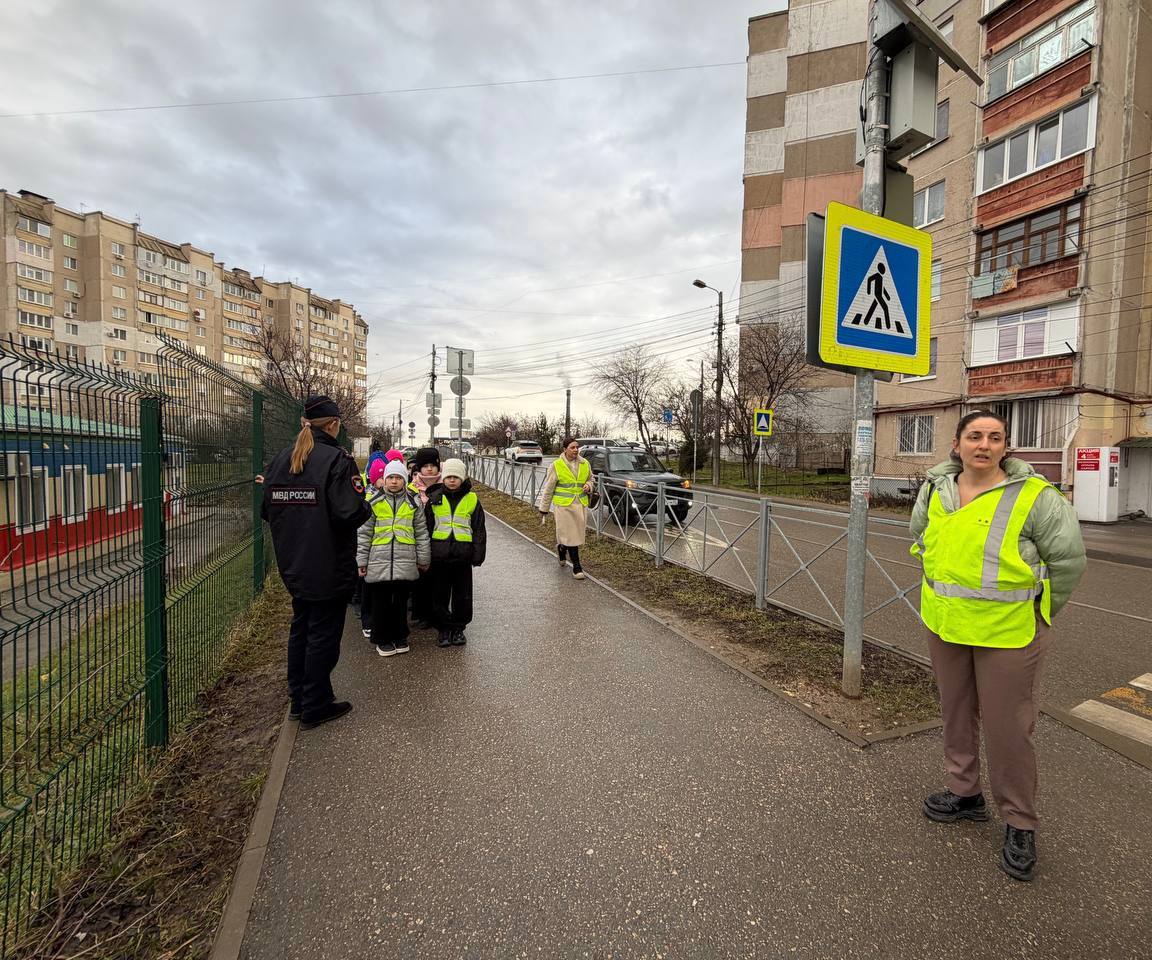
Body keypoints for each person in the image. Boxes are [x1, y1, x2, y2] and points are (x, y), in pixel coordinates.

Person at [909, 410, 1086, 882]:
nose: (983, 445)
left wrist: (1040, 613)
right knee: (955, 712)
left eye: (994, 437)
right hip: (946, 625)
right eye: (974, 436)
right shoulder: (936, 490)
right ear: (957, 444)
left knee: (1009, 728)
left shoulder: (1035, 496)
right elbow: (920, 538)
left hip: (1009, 633)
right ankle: (964, 792)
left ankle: (1020, 821)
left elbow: (1068, 562)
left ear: (1006, 447)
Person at [261, 396, 370, 730]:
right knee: (323, 634)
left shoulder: (281, 459)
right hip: (327, 563)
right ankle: (316, 704)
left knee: (302, 628)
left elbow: (267, 511)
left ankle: (299, 699)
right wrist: (365, 504)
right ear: (334, 424)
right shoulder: (337, 460)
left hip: (293, 562)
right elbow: (350, 513)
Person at [357, 459, 431, 657]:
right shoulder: (374, 503)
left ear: (405, 480)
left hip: (405, 560)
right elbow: (364, 534)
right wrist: (361, 561)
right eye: (390, 477)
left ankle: (400, 636)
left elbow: (421, 532)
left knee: (400, 601)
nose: (394, 481)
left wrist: (423, 558)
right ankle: (382, 638)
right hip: (378, 560)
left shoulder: (413, 503)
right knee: (380, 602)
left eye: (399, 477)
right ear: (384, 479)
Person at [424, 458, 486, 647]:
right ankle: (443, 628)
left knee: (463, 595)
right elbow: (426, 528)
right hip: (439, 555)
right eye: (448, 477)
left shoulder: (472, 499)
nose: (452, 480)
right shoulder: (434, 499)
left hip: (462, 556)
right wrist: (425, 554)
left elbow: (479, 529)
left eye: (456, 477)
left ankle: (459, 628)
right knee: (439, 594)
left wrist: (478, 554)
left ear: (462, 478)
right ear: (443, 478)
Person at [537, 437, 593, 580]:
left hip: (580, 505)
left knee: (573, 536)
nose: (575, 450)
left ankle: (561, 548)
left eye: (577, 447)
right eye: (572, 447)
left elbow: (591, 478)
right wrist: (544, 508)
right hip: (564, 507)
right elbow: (548, 489)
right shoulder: (556, 465)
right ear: (565, 449)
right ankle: (577, 567)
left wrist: (588, 485)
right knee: (571, 536)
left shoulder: (585, 463)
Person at [408, 447, 442, 625]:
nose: (429, 469)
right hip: (418, 540)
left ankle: (436, 614)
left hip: (440, 541)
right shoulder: (411, 490)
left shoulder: (446, 486)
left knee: (438, 580)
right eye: (425, 466)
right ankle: (421, 613)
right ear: (419, 468)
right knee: (420, 578)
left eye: (432, 465)